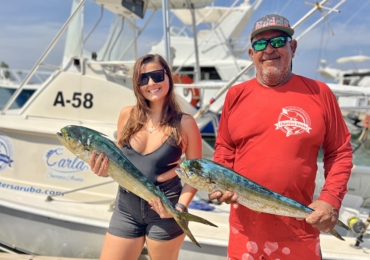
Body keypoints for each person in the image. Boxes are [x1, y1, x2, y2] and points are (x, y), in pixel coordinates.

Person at [209, 14, 353, 259]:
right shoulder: (235, 95)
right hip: (245, 231)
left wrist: (330, 199)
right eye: (260, 44)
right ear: (251, 53)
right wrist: (221, 182)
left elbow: (339, 152)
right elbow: (225, 148)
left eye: (278, 41)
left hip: (300, 228)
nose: (269, 50)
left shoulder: (320, 93)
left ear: (292, 47)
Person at [89, 54, 202, 260]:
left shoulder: (185, 123)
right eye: (143, 79)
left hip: (166, 211)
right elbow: (119, 163)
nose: (151, 83)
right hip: (125, 209)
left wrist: (178, 209)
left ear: (168, 76)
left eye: (157, 76)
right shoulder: (126, 115)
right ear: (136, 84)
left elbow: (196, 177)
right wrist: (103, 170)